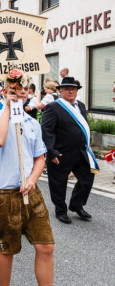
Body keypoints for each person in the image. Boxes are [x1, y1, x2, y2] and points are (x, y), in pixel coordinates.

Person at [0, 69, 76, 286]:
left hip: (30, 192)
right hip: (3, 194)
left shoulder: (33, 122)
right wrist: (7, 107)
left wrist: (34, 179)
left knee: (46, 247)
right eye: (14, 88)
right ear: (5, 90)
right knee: (8, 249)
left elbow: (40, 157)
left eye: (24, 88)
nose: (20, 92)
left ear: (29, 92)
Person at [41, 76, 97, 224]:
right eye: (67, 89)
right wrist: (51, 150)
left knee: (87, 179)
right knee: (58, 184)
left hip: (81, 152)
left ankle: (77, 204)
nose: (71, 91)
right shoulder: (53, 107)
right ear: (60, 91)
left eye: (73, 89)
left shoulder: (81, 105)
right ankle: (60, 210)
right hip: (60, 153)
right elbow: (47, 130)